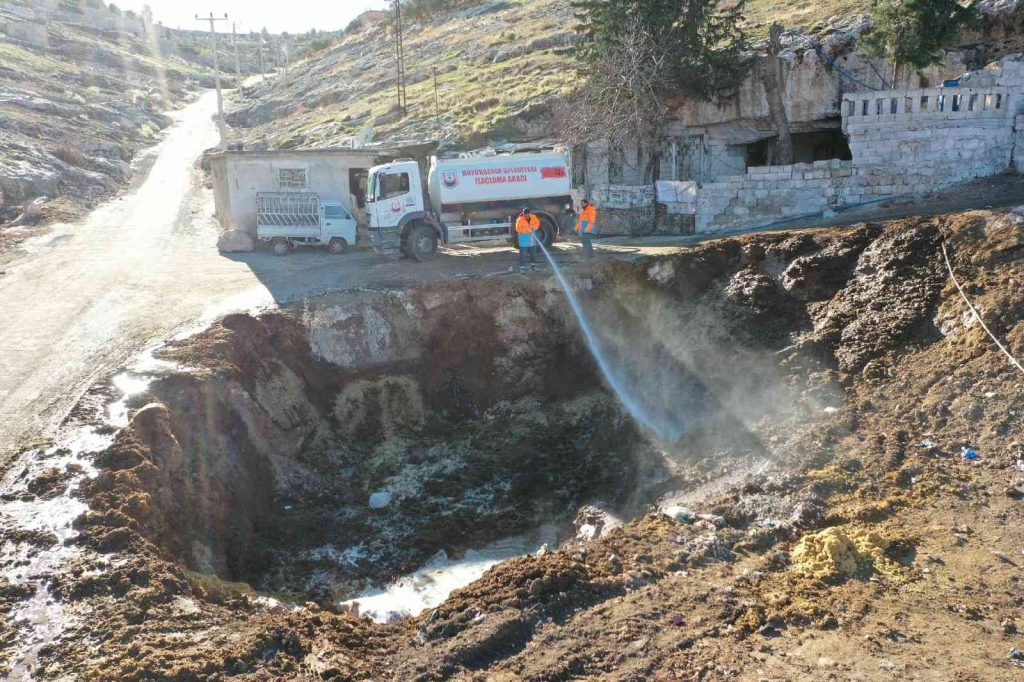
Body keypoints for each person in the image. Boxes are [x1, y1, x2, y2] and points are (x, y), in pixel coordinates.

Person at [515, 207, 540, 273]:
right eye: (526, 215)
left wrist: (533, 228)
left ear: (530, 213)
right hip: (524, 241)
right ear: (524, 214)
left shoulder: (533, 217)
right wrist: (527, 230)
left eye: (528, 214)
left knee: (533, 254)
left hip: (532, 240)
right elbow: (518, 229)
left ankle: (534, 266)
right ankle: (522, 268)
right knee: (523, 255)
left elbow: (537, 223)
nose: (527, 216)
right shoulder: (520, 220)